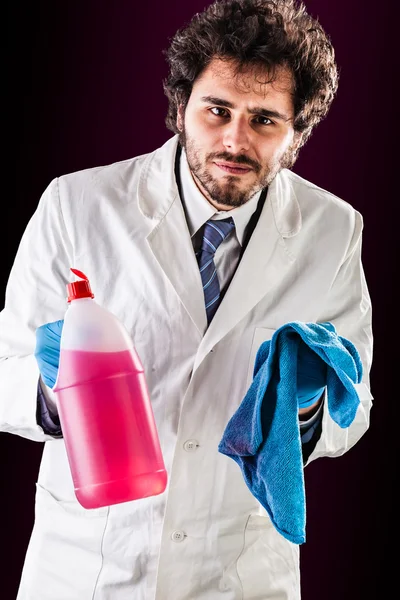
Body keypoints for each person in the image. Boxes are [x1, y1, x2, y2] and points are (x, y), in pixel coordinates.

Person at [0, 0, 373, 598]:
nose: (234, 139)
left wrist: (301, 411)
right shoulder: (78, 205)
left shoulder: (333, 231)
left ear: (297, 132)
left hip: (239, 571)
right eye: (217, 110)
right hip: (89, 565)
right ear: (181, 106)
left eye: (264, 120)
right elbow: (2, 374)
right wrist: (56, 392)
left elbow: (354, 414)